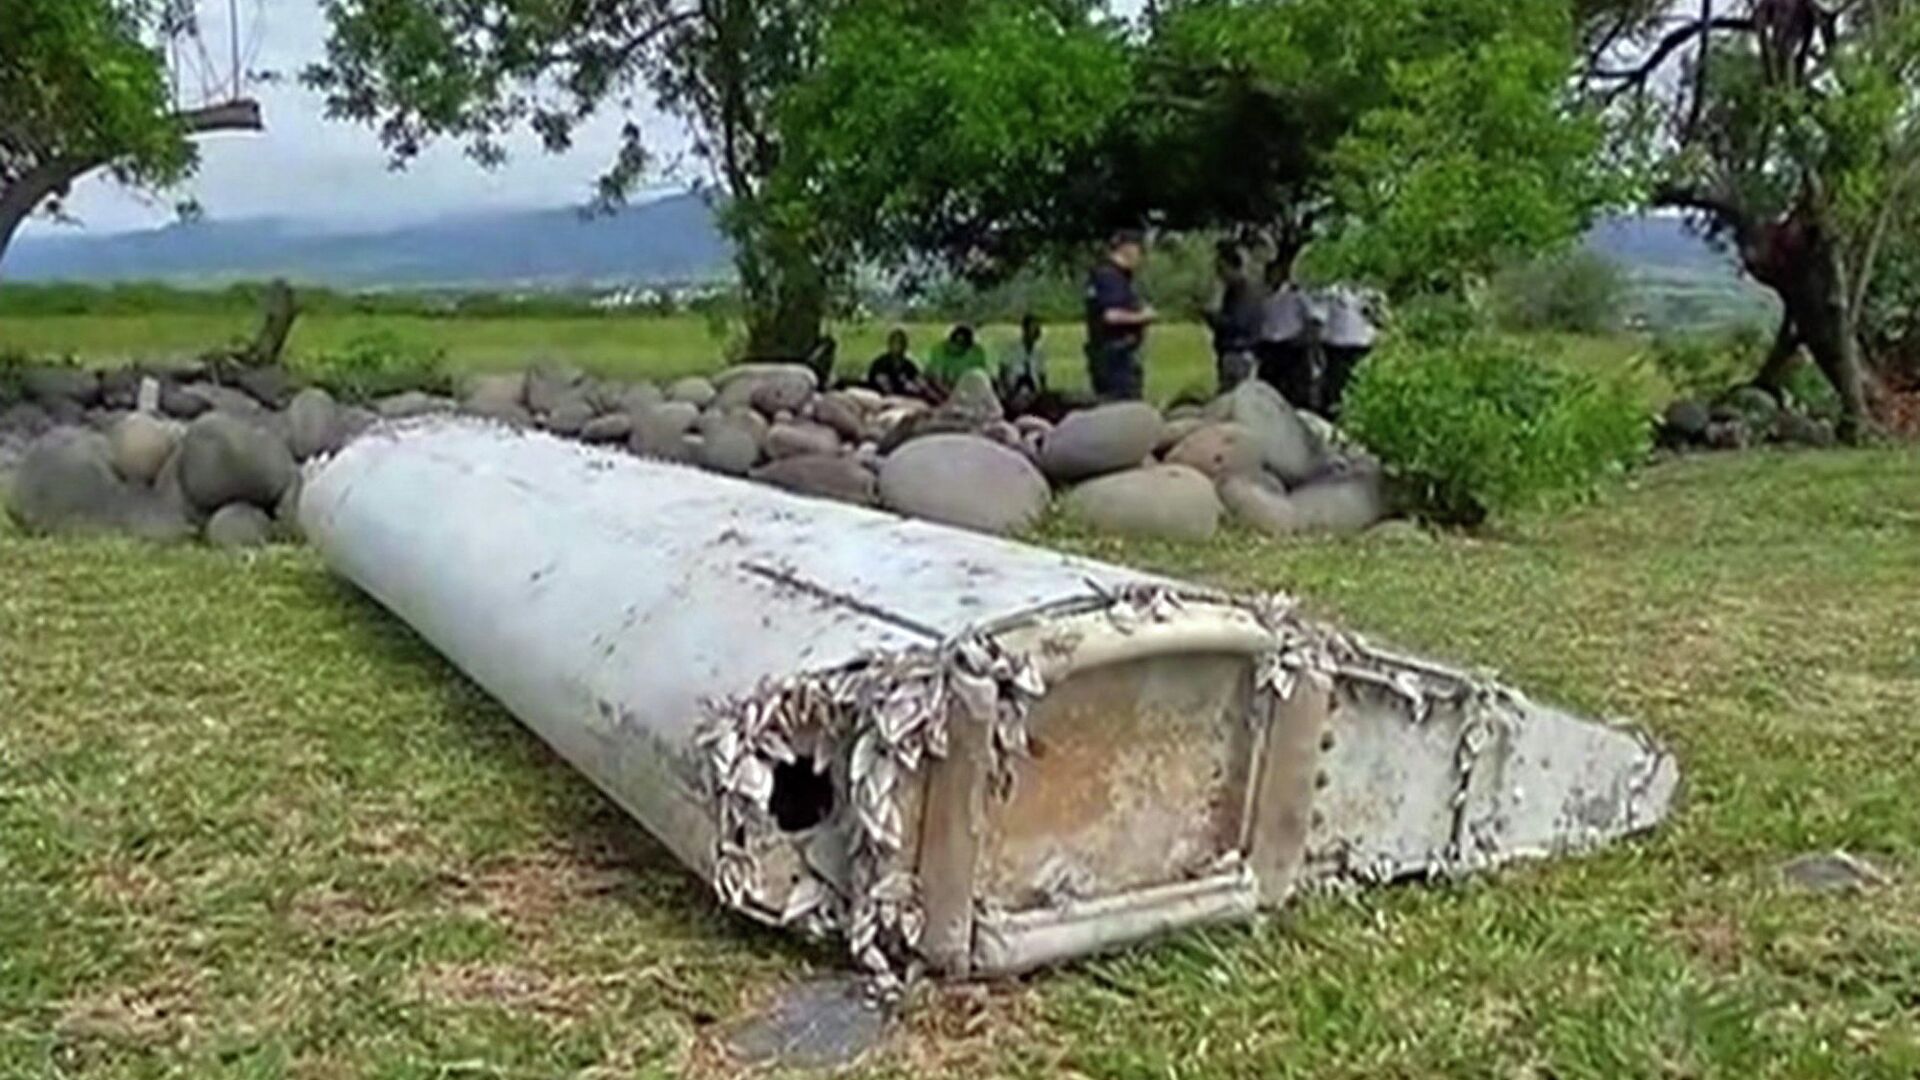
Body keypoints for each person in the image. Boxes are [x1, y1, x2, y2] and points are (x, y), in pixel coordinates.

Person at [1083, 230, 1156, 401]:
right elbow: (1111, 316)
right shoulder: (1110, 276)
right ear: (1127, 249)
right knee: (1123, 406)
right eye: (1139, 251)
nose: (1140, 257)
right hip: (1117, 357)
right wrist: (1144, 316)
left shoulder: (1105, 274)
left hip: (1107, 354)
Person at [1255, 257, 1314, 409]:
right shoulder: (1262, 295)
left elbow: (1309, 318)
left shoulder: (1295, 294)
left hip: (1290, 345)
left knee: (1293, 390)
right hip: (1269, 346)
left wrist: (1305, 340)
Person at [1204, 242, 1262, 394]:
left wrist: (1212, 318)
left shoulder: (1243, 291)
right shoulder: (1240, 289)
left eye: (1221, 269)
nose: (1219, 274)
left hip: (1237, 352)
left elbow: (1238, 323)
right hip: (1239, 352)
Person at [1316, 285, 1379, 418]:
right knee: (1335, 382)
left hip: (1361, 344)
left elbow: (1381, 319)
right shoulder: (1332, 292)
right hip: (1336, 344)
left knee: (1358, 381)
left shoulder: (1372, 294)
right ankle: (1332, 413)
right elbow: (1319, 315)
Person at [999, 314, 1048, 408]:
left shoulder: (1039, 352)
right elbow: (1003, 371)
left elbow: (1042, 375)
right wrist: (1007, 392)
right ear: (1024, 330)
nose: (1036, 332)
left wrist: (1041, 394)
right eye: (1032, 329)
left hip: (1033, 392)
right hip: (1014, 389)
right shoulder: (1011, 348)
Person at [925, 323, 992, 391]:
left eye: (962, 344)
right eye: (956, 342)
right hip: (940, 387)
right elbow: (936, 375)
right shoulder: (939, 349)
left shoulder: (976, 352)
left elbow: (980, 375)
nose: (957, 347)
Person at [866, 328, 924, 398]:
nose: (898, 346)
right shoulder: (880, 364)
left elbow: (919, 382)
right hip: (880, 399)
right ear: (889, 344)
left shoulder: (909, 365)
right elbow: (879, 384)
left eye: (901, 342)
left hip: (905, 400)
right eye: (895, 342)